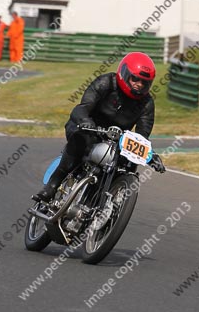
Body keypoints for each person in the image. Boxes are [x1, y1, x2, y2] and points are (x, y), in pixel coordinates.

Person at [35, 52, 165, 203]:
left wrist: (150, 155)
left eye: (144, 82)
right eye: (135, 79)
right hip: (88, 127)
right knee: (81, 139)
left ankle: (110, 202)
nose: (139, 85)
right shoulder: (106, 83)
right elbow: (82, 108)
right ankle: (52, 186)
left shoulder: (147, 103)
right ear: (124, 74)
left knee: (130, 162)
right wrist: (86, 121)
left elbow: (142, 138)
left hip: (116, 140)